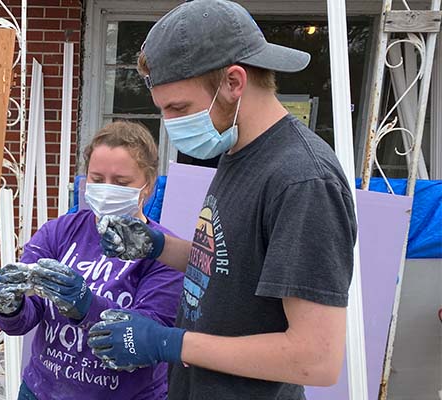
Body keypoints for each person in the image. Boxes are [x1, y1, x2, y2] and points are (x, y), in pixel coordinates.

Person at [86, 1, 358, 399]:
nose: (172, 123)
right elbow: (232, 267)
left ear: (233, 82)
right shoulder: (239, 150)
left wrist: (169, 343)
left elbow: (315, 357)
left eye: (179, 107)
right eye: (163, 110)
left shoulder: (303, 181)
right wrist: (159, 246)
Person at [0, 121, 185, 400]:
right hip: (42, 390)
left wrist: (85, 305)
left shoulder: (162, 252)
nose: (107, 189)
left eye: (121, 182)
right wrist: (8, 306)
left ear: (148, 185)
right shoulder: (60, 232)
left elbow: (143, 342)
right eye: (97, 178)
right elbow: (22, 322)